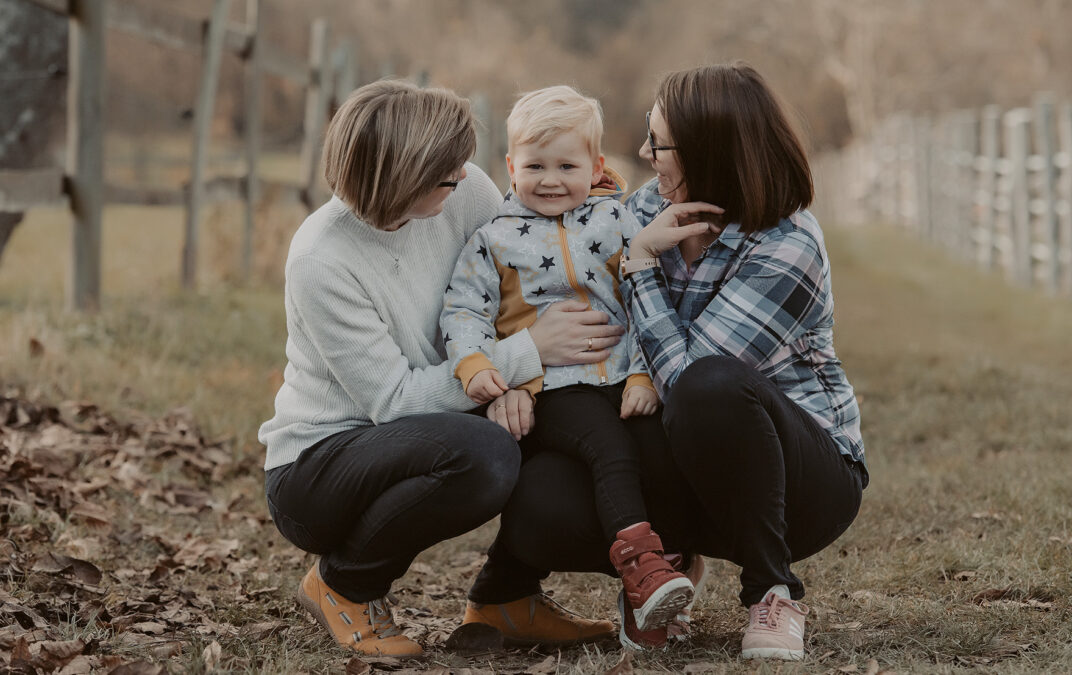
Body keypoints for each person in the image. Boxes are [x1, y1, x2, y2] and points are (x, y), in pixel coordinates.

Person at [465, 62, 868, 661]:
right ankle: (663, 561)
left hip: (799, 481)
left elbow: (686, 382)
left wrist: (641, 266)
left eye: (657, 141)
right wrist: (517, 370)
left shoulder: (787, 244)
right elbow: (540, 244)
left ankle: (772, 590)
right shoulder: (649, 204)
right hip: (687, 459)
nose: (643, 152)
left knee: (711, 387)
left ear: (708, 152)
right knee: (539, 502)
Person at [257, 79, 625, 657]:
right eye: (447, 176)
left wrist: (516, 386)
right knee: (484, 455)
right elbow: (394, 401)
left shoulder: (463, 187)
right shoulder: (321, 260)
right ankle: (345, 584)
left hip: (455, 406)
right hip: (324, 467)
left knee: (564, 418)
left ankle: (506, 596)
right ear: (403, 178)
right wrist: (527, 352)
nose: (465, 181)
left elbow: (516, 273)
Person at [441, 86, 693, 636]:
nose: (550, 179)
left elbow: (650, 303)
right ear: (510, 166)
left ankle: (660, 579)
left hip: (624, 377)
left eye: (566, 165)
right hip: (553, 389)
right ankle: (641, 571)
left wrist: (646, 373)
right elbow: (463, 312)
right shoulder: (493, 240)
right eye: (535, 165)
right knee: (611, 449)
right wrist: (479, 367)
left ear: (596, 166)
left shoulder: (616, 222)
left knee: (657, 449)